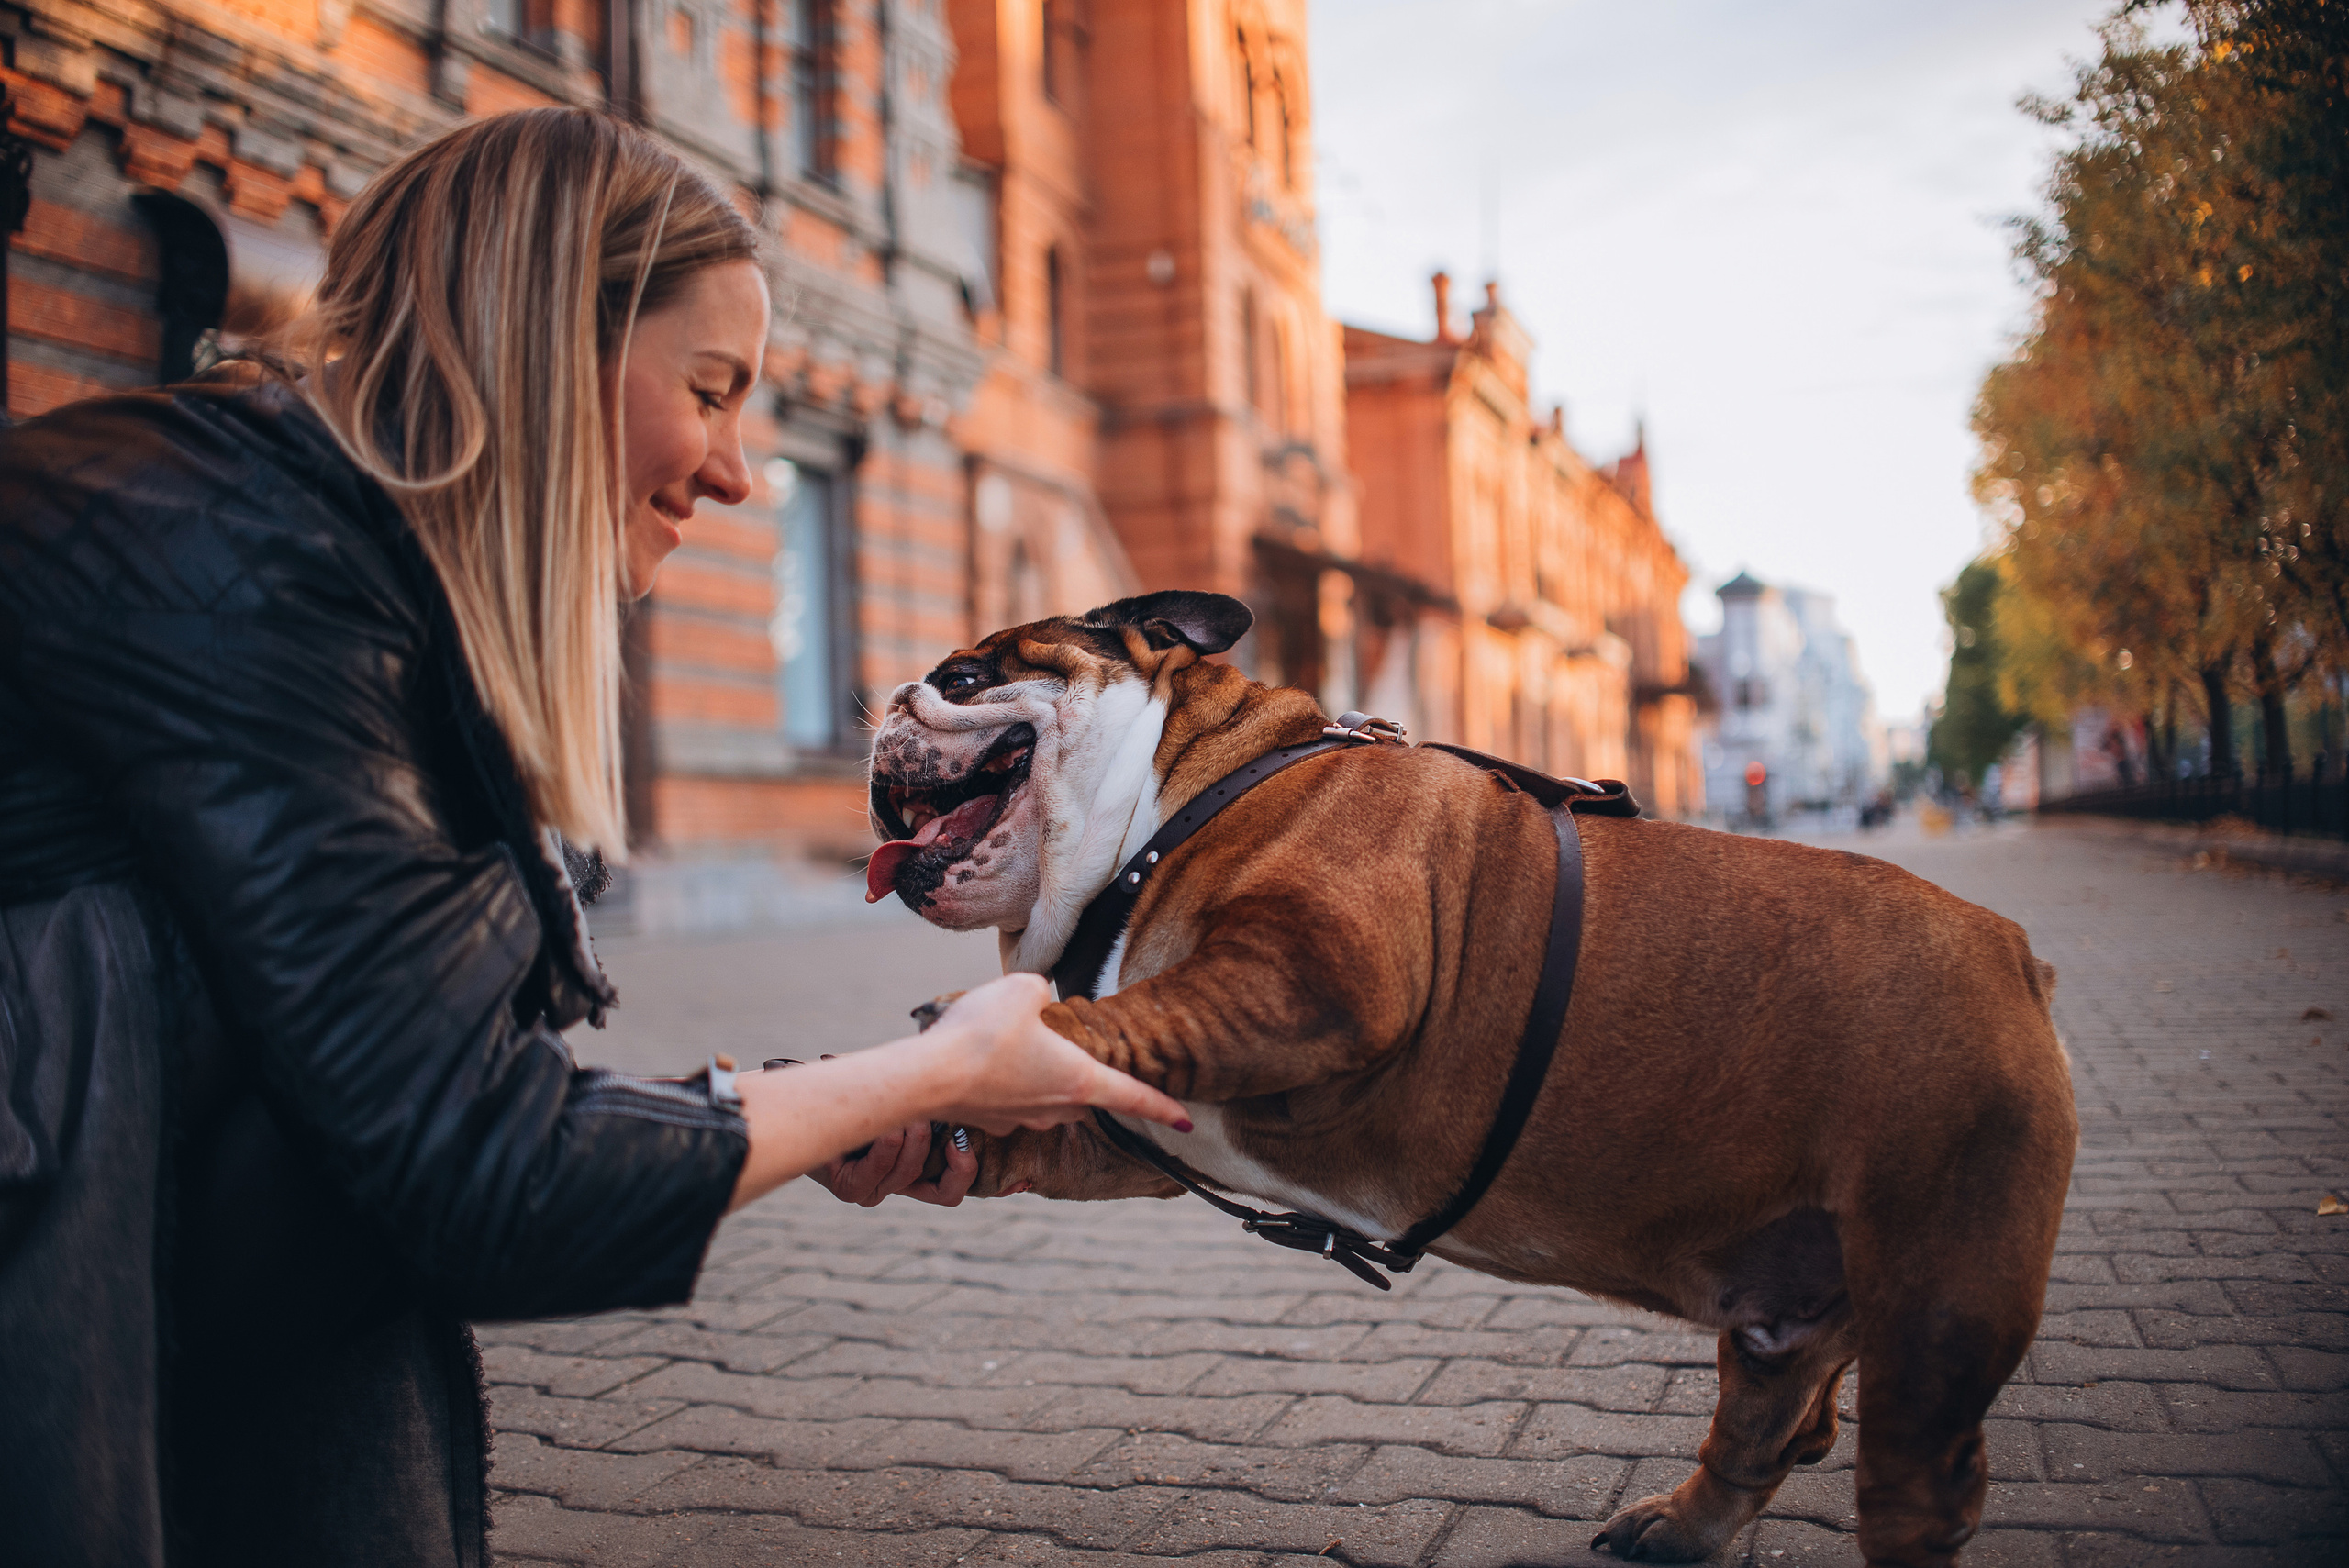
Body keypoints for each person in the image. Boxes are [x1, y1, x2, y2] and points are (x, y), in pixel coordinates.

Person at [0, 107, 1183, 1568]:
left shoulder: (312, 535)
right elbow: (478, 1173)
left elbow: (421, 1083)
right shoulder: (242, 561)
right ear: (548, 343)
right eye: (709, 389)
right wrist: (934, 1069)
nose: (739, 471)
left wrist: (806, 1106)